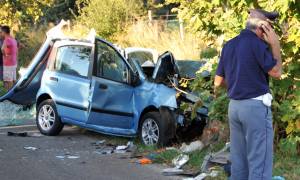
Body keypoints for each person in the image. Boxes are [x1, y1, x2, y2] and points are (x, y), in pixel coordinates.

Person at [214, 9, 282, 180]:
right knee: (259, 161)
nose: (271, 31)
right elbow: (276, 72)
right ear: (263, 26)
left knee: (239, 162)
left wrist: (238, 85)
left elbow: (218, 82)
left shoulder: (229, 44)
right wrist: (275, 44)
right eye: (270, 26)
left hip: (234, 107)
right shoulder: (257, 45)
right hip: (255, 108)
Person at [0, 26, 18, 90]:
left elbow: (2, 49)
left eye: (1, 32)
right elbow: (16, 51)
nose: (1, 33)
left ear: (4, 32)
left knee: (7, 81)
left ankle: (8, 95)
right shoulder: (13, 39)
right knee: (13, 80)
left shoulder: (6, 39)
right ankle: (14, 92)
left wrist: (5, 56)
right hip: (13, 62)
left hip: (8, 63)